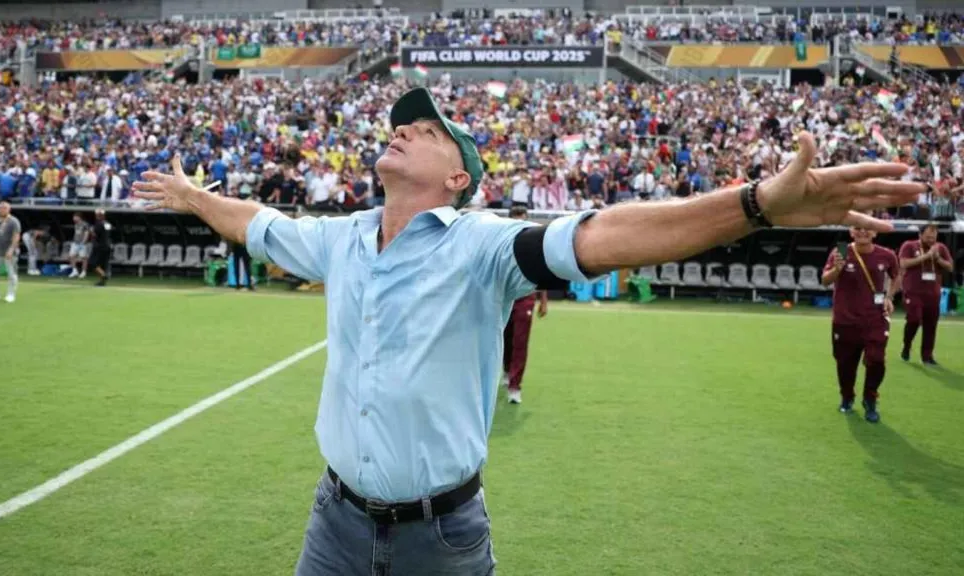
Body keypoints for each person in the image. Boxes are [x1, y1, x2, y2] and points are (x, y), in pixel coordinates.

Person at [133, 87, 921, 575]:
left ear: (458, 180)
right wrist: (193, 194)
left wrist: (753, 205)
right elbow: (260, 224)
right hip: (332, 526)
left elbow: (603, 236)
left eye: (429, 130)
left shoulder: (480, 244)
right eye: (403, 122)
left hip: (439, 540)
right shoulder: (341, 237)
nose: (404, 128)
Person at [821, 227, 901, 423]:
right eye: (858, 228)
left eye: (868, 228)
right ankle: (847, 396)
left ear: (875, 232)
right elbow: (824, 280)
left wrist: (889, 297)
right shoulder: (840, 251)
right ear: (851, 231)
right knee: (845, 364)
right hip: (845, 320)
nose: (863, 232)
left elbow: (897, 276)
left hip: (875, 318)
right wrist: (837, 269)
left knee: (876, 360)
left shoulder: (887, 255)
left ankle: (870, 398)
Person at [502, 205, 548, 405]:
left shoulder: (534, 244)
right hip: (504, 298)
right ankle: (506, 370)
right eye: (518, 219)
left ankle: (515, 386)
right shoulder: (502, 242)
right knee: (505, 338)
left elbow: (542, 272)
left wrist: (543, 300)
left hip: (525, 298)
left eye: (524, 219)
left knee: (520, 342)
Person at [898, 223, 954, 365]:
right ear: (920, 235)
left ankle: (927, 356)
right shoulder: (909, 245)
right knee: (914, 319)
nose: (931, 239)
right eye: (928, 236)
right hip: (913, 290)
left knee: (931, 325)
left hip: (933, 292)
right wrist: (926, 256)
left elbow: (950, 266)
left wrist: (937, 258)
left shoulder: (940, 248)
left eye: (934, 237)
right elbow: (904, 264)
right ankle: (907, 345)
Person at [89, 209, 112, 287]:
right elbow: (108, 233)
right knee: (103, 264)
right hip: (107, 246)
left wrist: (91, 231)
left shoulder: (98, 224)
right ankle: (102, 281)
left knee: (93, 263)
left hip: (99, 246)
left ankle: (104, 275)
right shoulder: (107, 223)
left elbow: (95, 235)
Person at [68, 212, 91, 279]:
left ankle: (84, 272)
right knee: (71, 256)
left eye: (74, 217)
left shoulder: (85, 224)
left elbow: (87, 233)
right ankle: (75, 271)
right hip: (75, 243)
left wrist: (83, 242)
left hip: (82, 244)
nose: (73, 218)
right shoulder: (76, 224)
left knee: (84, 258)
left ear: (79, 217)